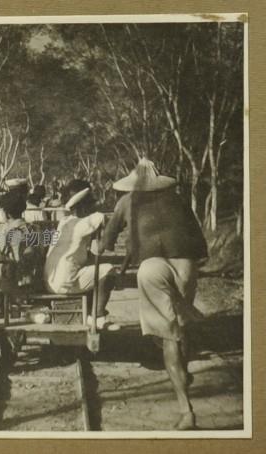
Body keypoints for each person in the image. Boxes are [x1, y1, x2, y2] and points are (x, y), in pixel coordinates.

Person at [100, 158, 208, 430]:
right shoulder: (178, 199)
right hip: (186, 263)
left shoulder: (126, 202)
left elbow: (107, 241)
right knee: (181, 325)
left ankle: (186, 411)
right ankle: (183, 364)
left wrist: (104, 249)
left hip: (151, 268)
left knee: (167, 335)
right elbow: (198, 239)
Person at [43, 180, 119, 331]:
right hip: (66, 283)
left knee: (91, 269)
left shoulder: (63, 222)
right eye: (90, 205)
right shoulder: (84, 222)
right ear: (82, 206)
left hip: (50, 282)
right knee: (109, 270)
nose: (92, 207)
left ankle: (91, 312)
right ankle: (97, 316)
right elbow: (106, 219)